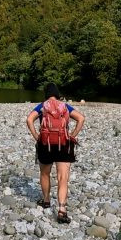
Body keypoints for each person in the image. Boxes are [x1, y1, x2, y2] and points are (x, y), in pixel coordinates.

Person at [26, 83, 85, 223]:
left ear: (46, 94)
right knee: (62, 177)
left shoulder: (42, 106)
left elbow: (29, 119)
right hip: (63, 145)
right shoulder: (64, 106)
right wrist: (72, 135)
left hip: (45, 144)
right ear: (58, 94)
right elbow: (81, 118)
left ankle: (46, 201)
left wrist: (36, 136)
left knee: (45, 173)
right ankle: (62, 210)